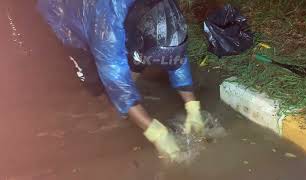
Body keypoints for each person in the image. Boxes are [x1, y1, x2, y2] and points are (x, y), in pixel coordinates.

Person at [37, 0, 205, 161]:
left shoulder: (166, 10)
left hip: (119, 21)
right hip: (64, 12)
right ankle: (111, 110)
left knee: (135, 61)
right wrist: (156, 133)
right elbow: (116, 81)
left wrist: (192, 107)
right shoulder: (107, 29)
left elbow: (176, 56)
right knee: (95, 83)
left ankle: (130, 109)